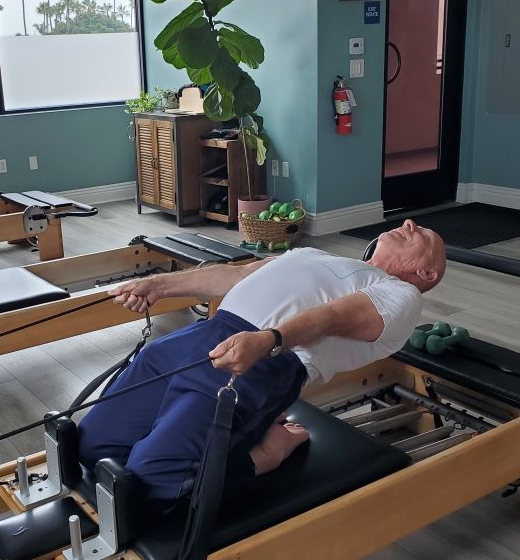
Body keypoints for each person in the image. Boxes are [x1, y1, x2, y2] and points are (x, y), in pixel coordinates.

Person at [76, 219, 446, 511]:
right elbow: (237, 274)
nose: (411, 223)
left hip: (260, 360)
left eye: (423, 235)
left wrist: (270, 339)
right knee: (92, 444)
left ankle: (266, 454)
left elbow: (334, 316)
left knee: (155, 479)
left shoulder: (402, 296)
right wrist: (159, 284)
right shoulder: (314, 254)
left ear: (426, 273)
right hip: (197, 339)